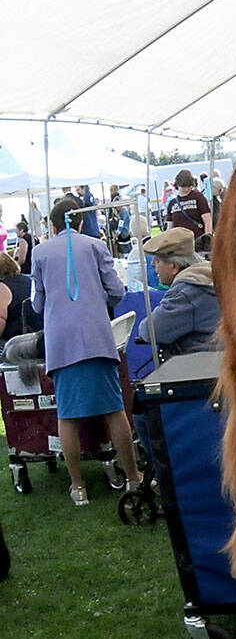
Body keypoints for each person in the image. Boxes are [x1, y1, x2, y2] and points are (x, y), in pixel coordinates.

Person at [30, 196, 144, 506]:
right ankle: (133, 477)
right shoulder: (96, 246)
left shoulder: (39, 253)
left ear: (52, 226)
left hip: (60, 341)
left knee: (66, 415)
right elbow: (117, 291)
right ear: (81, 221)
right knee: (114, 409)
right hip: (95, 335)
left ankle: (78, 486)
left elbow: (38, 303)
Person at [135, 227, 221, 355]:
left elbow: (151, 331)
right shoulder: (209, 277)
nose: (153, 265)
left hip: (198, 367)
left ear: (174, 266)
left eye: (157, 260)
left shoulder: (186, 293)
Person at [164, 169, 213, 250]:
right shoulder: (172, 203)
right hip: (179, 245)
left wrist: (207, 240)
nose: (186, 189)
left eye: (189, 186)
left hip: (197, 243)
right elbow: (169, 228)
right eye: (183, 187)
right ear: (177, 185)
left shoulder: (198, 197)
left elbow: (207, 220)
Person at [0, 252, 32, 342]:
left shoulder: (3, 288)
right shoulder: (29, 280)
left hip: (13, 341)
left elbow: (1, 320)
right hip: (35, 335)